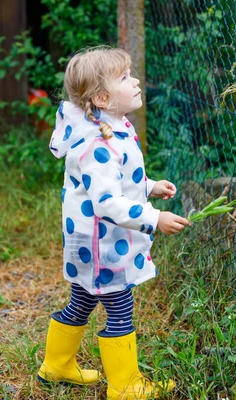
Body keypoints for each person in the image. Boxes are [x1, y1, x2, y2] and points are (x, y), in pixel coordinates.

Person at [38, 46, 190, 399]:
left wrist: (150, 186)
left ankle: (56, 366)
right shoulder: (96, 144)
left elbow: (119, 179)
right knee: (120, 310)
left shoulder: (110, 126)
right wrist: (155, 218)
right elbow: (107, 203)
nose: (136, 81)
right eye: (125, 77)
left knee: (82, 302)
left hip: (93, 244)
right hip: (102, 246)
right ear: (103, 97)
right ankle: (125, 385)